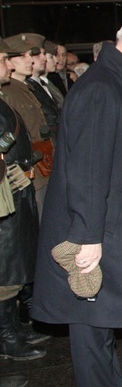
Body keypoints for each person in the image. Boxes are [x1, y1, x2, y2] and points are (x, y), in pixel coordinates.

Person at [31, 20, 122, 387]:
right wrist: (87, 237)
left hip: (109, 226)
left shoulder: (116, 84)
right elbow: (87, 172)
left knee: (99, 325)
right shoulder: (100, 90)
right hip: (96, 232)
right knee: (90, 327)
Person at [0, 37, 47, 368]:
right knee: (5, 269)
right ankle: (7, 337)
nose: (7, 65)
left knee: (14, 265)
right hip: (4, 196)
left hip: (15, 190)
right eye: (3, 59)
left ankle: (14, 328)